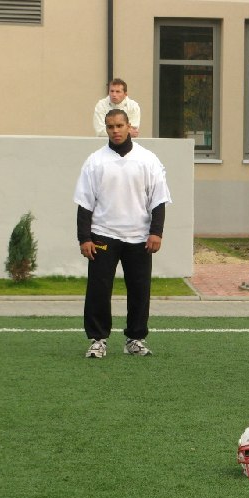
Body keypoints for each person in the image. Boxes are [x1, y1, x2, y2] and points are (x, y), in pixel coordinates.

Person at [75, 109, 172, 358]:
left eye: (119, 125)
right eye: (110, 127)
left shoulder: (148, 160)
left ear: (129, 126)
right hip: (103, 234)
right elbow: (85, 203)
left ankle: (135, 339)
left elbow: (158, 200)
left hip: (139, 237)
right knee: (98, 290)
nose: (115, 131)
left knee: (140, 289)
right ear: (106, 129)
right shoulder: (95, 161)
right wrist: (84, 238)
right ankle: (98, 340)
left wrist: (156, 232)